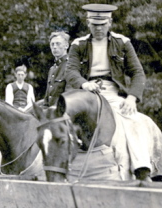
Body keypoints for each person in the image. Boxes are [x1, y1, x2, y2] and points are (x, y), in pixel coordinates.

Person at [66, 3, 155, 181]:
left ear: (110, 22)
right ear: (88, 23)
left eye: (103, 24)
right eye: (94, 24)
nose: (99, 28)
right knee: (56, 120)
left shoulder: (122, 43)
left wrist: (131, 97)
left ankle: (141, 168)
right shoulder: (78, 44)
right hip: (83, 93)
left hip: (112, 93)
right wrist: (84, 84)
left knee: (133, 119)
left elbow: (137, 72)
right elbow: (70, 71)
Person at [43, 32, 71, 107]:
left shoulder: (70, 66)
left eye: (58, 44)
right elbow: (47, 98)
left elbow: (71, 96)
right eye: (52, 44)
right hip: (51, 113)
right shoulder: (52, 69)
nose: (54, 47)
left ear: (66, 46)